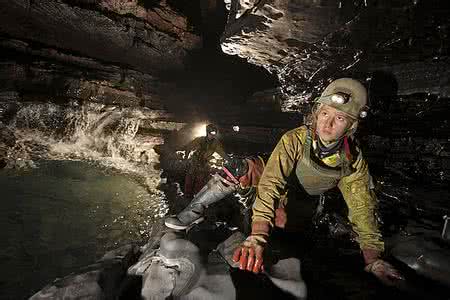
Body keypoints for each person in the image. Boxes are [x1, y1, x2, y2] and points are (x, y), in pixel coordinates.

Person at [232, 78, 405, 286]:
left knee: (285, 229)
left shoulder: (350, 161)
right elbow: (271, 184)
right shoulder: (294, 139)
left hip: (302, 199)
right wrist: (257, 235)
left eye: (339, 118)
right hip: (271, 176)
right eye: (324, 113)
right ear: (317, 114)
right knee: (240, 170)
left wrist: (373, 259)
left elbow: (362, 207)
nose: (327, 123)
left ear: (351, 126)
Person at [182, 124, 228, 198]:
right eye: (211, 133)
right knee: (190, 177)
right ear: (207, 132)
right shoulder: (200, 140)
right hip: (195, 161)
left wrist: (229, 159)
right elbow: (188, 147)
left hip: (204, 162)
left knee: (201, 179)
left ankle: (197, 196)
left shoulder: (215, 143)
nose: (213, 135)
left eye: (215, 133)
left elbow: (222, 153)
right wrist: (186, 158)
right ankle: (187, 195)